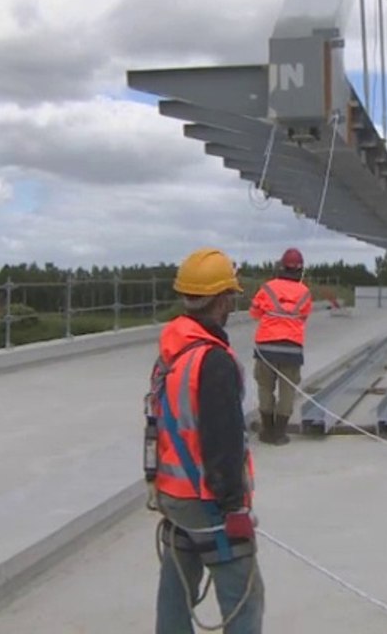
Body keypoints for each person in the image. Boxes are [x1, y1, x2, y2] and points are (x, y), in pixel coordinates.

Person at [149, 247, 264, 633]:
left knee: (175, 595)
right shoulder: (212, 361)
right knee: (244, 600)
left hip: (174, 497)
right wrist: (234, 510)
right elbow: (223, 442)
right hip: (209, 504)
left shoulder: (172, 349)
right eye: (231, 295)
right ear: (223, 299)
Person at [250, 247, 312, 446]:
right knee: (288, 391)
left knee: (265, 387)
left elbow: (254, 313)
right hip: (292, 348)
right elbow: (303, 317)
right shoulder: (305, 292)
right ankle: (280, 434)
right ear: (300, 270)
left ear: (281, 266)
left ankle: (267, 431)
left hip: (266, 346)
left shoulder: (267, 287)